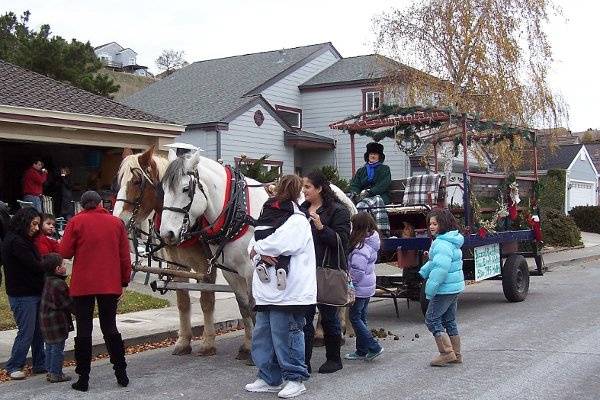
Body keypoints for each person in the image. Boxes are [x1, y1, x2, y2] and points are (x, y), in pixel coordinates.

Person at [245, 175, 316, 398]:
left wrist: (259, 249)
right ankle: (269, 377)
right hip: (268, 289)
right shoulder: (269, 215)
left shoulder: (297, 219)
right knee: (263, 334)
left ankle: (295, 378)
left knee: (287, 334)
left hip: (290, 291)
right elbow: (254, 243)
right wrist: (258, 250)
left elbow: (282, 243)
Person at [60, 191, 132, 391]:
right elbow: (125, 257)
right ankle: (121, 373)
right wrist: (124, 281)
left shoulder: (76, 222)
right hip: (109, 283)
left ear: (82, 206)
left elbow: (65, 252)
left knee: (84, 330)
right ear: (101, 203)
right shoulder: (116, 223)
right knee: (110, 328)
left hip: (83, 284)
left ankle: (83, 378)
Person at [301, 170, 351, 374]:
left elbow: (342, 241)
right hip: (303, 271)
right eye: (303, 187)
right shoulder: (300, 210)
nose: (303, 191)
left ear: (319, 188)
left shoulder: (338, 211)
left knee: (329, 316)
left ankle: (334, 359)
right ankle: (303, 361)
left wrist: (321, 227)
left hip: (326, 271)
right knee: (304, 318)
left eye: (307, 187)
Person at [1, 207, 46, 380]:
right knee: (26, 332)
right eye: (34, 224)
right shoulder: (16, 242)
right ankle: (14, 365)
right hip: (22, 295)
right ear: (24, 221)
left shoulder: (24, 240)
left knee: (37, 332)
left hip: (32, 292)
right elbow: (34, 266)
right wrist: (50, 266)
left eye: (38, 224)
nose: (36, 228)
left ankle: (40, 363)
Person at [419, 209, 465, 367]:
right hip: (454, 287)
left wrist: (430, 289)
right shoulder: (450, 240)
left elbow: (441, 269)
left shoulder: (441, 243)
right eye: (430, 223)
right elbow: (436, 263)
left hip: (444, 289)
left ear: (443, 224)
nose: (431, 226)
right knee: (449, 320)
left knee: (431, 319)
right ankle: (456, 354)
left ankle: (446, 353)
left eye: (435, 223)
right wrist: (424, 271)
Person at [344, 212, 384, 361]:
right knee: (361, 317)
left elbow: (357, 272)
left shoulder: (360, 248)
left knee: (354, 318)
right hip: (368, 286)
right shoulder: (371, 243)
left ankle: (374, 346)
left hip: (359, 288)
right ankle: (361, 350)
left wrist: (350, 284)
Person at [39, 253, 73, 383]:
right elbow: (66, 303)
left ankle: (50, 370)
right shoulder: (59, 284)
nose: (65, 266)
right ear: (57, 269)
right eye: (64, 264)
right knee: (58, 348)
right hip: (56, 322)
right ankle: (56, 373)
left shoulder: (48, 281)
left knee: (49, 346)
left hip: (45, 320)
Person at [253, 197, 296, 290]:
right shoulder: (291, 204)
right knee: (285, 250)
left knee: (268, 250)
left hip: (259, 231)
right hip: (272, 230)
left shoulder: (268, 202)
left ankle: (262, 264)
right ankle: (282, 268)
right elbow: (300, 213)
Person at [349, 142, 391, 235]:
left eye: (375, 154)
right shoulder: (361, 170)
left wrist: (370, 192)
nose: (373, 156)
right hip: (364, 197)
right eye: (371, 154)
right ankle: (361, 231)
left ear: (379, 156)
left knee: (361, 206)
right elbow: (355, 184)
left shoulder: (385, 169)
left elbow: (383, 185)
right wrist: (354, 192)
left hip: (380, 196)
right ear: (367, 155)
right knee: (359, 204)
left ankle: (381, 231)